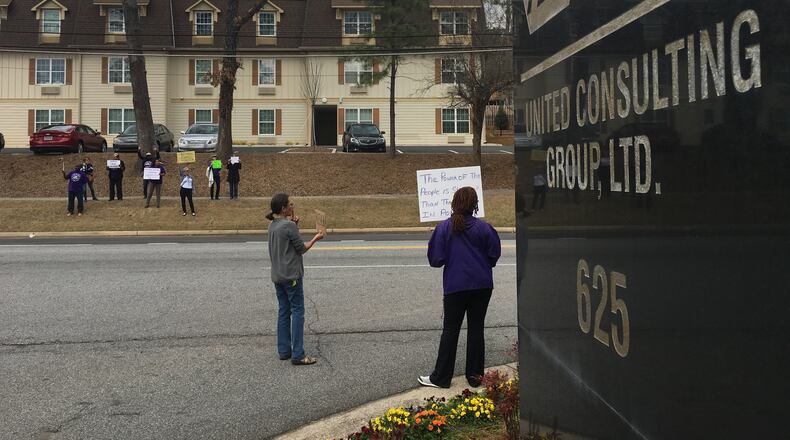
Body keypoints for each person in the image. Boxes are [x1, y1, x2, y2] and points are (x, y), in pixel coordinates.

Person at [418, 187, 501, 389]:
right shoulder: (485, 228)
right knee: (476, 328)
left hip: (456, 286)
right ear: (475, 205)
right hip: (481, 285)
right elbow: (493, 255)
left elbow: (436, 260)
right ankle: (475, 377)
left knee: (451, 329)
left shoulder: (445, 227)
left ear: (454, 203)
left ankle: (441, 377)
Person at [266, 193, 325, 365]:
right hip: (291, 276)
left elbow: (287, 241)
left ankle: (284, 351)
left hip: (278, 276)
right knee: (298, 311)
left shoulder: (273, 225)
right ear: (283, 208)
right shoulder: (288, 226)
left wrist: (294, 225)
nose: (293, 206)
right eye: (290, 204)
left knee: (284, 311)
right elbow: (301, 249)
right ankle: (298, 354)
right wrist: (316, 238)